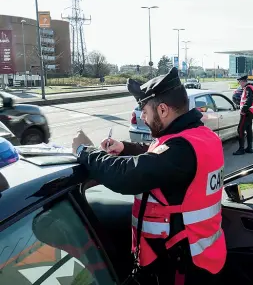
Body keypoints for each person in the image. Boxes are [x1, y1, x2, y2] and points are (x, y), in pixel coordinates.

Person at [71, 67, 226, 285]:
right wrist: (124, 147)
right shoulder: (202, 138)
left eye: (145, 111)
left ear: (163, 110)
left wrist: (84, 151)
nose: (142, 117)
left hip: (179, 266)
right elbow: (160, 155)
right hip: (200, 256)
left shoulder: (181, 150)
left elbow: (126, 176)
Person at [233, 74, 253, 155]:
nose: (239, 84)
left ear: (243, 81)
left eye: (239, 82)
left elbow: (250, 100)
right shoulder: (250, 88)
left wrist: (243, 109)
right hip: (250, 112)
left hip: (247, 112)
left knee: (240, 130)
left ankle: (241, 149)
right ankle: (249, 148)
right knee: (248, 129)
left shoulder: (248, 88)